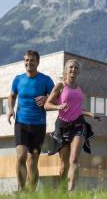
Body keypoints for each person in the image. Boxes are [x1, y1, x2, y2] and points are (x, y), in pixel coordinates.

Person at [44, 59, 99, 191]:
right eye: (70, 67)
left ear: (78, 71)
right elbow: (46, 105)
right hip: (62, 126)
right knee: (64, 165)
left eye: (75, 68)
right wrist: (58, 106)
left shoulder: (79, 90)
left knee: (74, 160)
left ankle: (71, 192)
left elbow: (77, 109)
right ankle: (63, 190)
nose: (73, 69)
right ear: (66, 70)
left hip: (78, 125)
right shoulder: (60, 86)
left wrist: (90, 114)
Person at [8, 50, 55, 191]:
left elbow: (57, 97)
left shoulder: (46, 80)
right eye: (26, 60)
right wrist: (10, 109)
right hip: (21, 123)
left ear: (37, 62)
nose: (29, 63)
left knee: (32, 162)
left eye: (32, 60)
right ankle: (22, 190)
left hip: (38, 125)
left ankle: (31, 194)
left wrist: (47, 98)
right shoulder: (18, 79)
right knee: (21, 157)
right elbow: (12, 96)